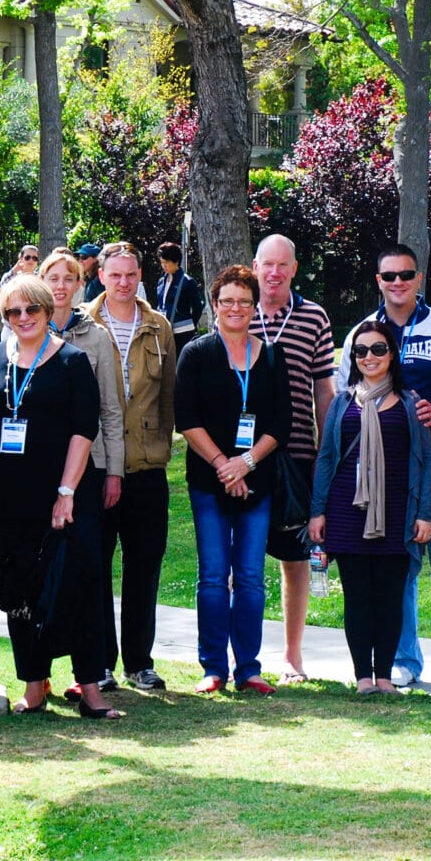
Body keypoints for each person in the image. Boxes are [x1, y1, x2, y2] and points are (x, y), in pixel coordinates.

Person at [0, 275, 122, 719]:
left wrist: (66, 491)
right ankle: (34, 684)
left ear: (45, 311)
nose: (23, 318)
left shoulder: (74, 361)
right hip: (10, 496)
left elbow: (84, 429)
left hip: (68, 494)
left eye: (31, 310)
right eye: (12, 312)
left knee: (81, 585)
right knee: (20, 590)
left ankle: (91, 688)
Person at [336, 242, 431, 690]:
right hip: (386, 476)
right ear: (378, 281)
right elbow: (344, 396)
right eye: (388, 275)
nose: (398, 282)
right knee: (401, 565)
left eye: (405, 274)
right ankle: (404, 659)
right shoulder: (362, 332)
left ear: (418, 278)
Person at [176, 265, 291, 695]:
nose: (236, 308)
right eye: (227, 301)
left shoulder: (272, 355)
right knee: (211, 575)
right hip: (208, 482)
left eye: (244, 300)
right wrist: (225, 465)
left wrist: (246, 463)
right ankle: (213, 667)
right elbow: (185, 418)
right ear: (215, 304)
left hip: (257, 482)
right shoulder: (197, 353)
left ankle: (249, 668)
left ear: (255, 304)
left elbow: (283, 421)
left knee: (248, 576)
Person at [309, 318, 431, 694]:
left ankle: (385, 676)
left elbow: (426, 460)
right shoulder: (342, 403)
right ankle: (363, 676)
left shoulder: (412, 404)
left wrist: (425, 513)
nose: (369, 357)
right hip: (347, 513)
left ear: (392, 354)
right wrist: (318, 512)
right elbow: (327, 457)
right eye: (361, 350)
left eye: (378, 348)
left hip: (397, 513)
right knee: (359, 597)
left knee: (391, 598)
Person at [86, 242, 178, 693]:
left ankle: (139, 661)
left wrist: (161, 444)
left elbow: (167, 399)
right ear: (101, 275)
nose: (123, 283)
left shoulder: (158, 327)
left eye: (130, 275)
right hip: (98, 466)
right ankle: (100, 663)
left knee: (144, 567)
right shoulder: (83, 324)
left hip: (146, 467)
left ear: (140, 275)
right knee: (97, 567)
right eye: (115, 275)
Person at [249, 234, 336, 681]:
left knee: (294, 559)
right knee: (237, 558)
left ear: (294, 269)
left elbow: (324, 388)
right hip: (243, 457)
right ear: (255, 265)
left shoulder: (313, 316)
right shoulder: (237, 310)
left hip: (298, 454)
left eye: (283, 265)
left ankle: (292, 655)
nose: (274, 273)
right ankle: (239, 657)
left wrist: (327, 448)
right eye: (267, 264)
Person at [154, 241, 204, 340]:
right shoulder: (161, 281)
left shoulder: (187, 281)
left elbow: (197, 307)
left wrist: (189, 324)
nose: (164, 266)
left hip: (183, 333)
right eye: (162, 262)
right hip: (164, 331)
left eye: (167, 262)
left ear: (176, 261)